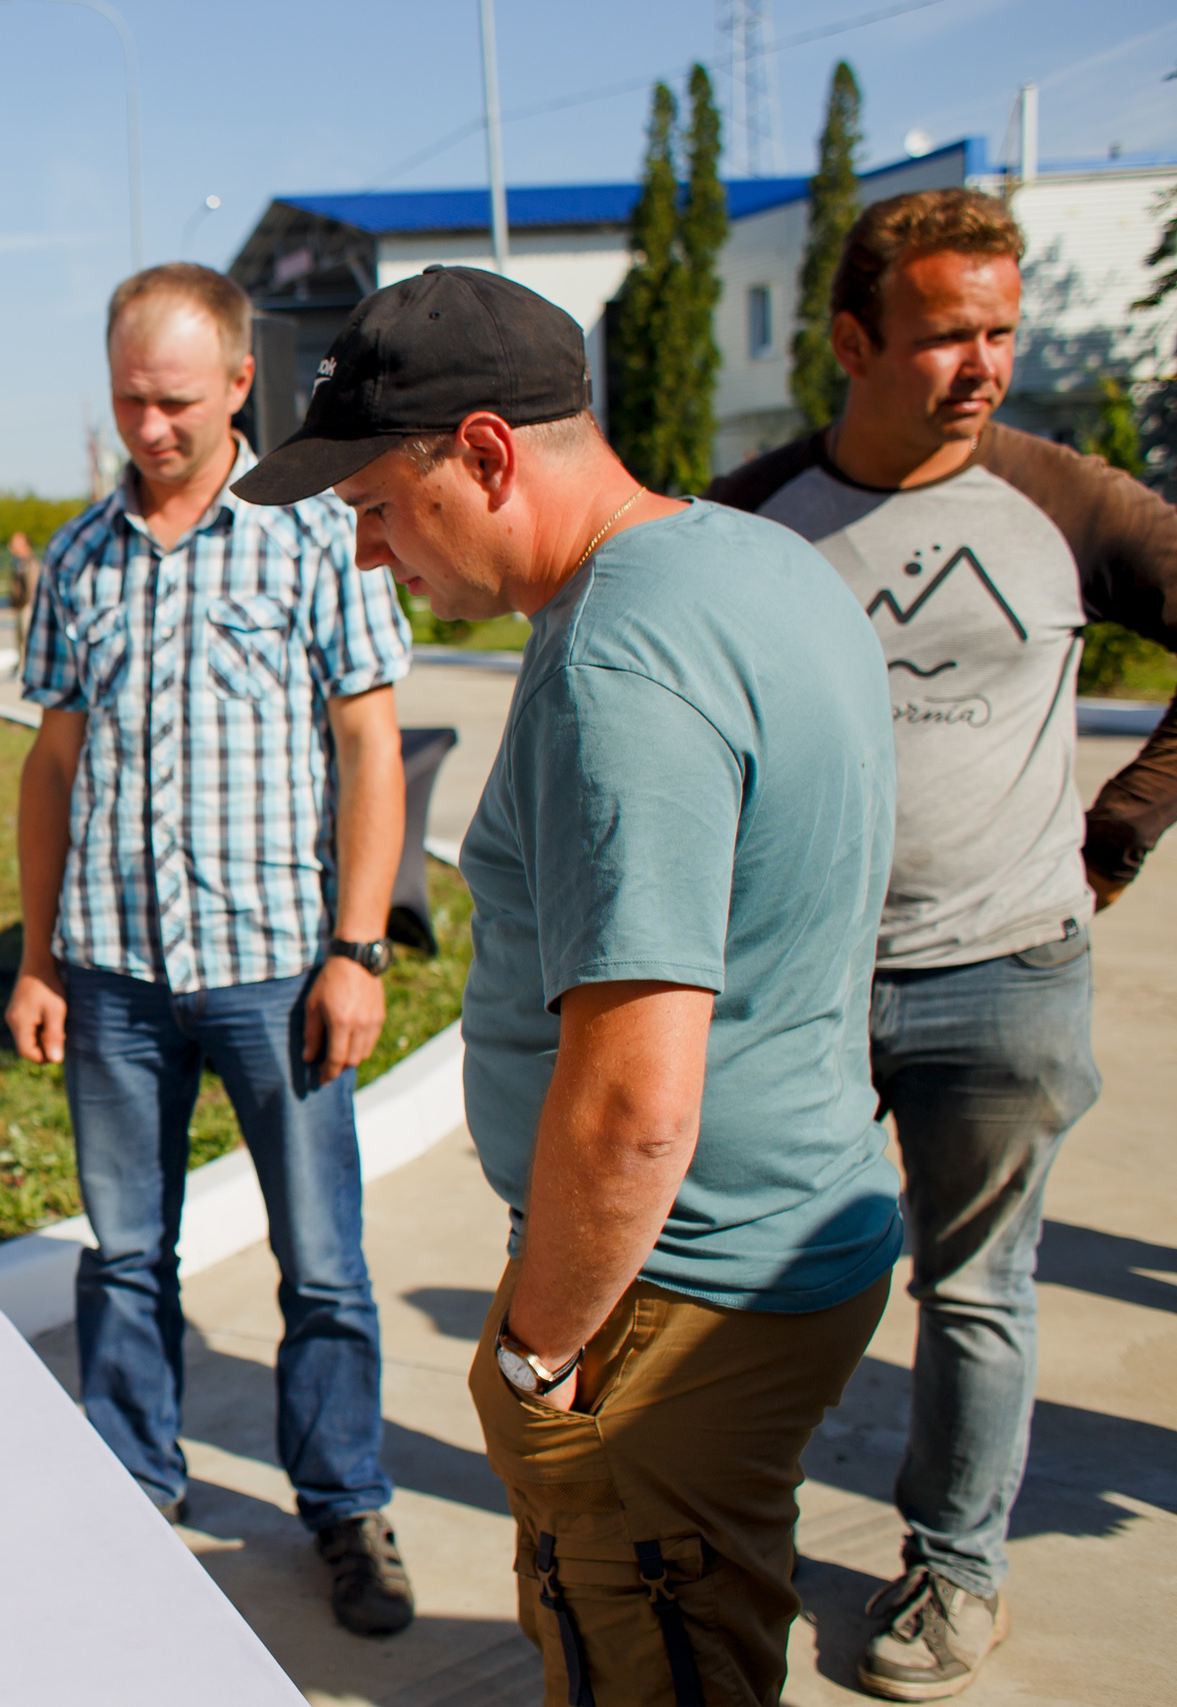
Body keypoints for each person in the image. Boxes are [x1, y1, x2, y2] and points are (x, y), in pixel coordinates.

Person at [239, 263, 903, 1704]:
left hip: (676, 1294)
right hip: (775, 1236)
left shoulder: (621, 658)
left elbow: (633, 1107)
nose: (365, 558)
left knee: (644, 1650)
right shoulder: (749, 558)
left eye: (370, 510)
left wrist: (538, 1354)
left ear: (482, 454)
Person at [706, 188, 1177, 1701]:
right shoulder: (753, 517)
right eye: (944, 336)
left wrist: (1124, 824)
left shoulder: (1069, 500)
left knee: (978, 1289)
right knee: (768, 1277)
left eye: (1000, 331)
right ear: (851, 339)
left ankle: (955, 1569)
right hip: (806, 983)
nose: (982, 364)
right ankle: (736, 1547)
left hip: (1007, 972)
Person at [8, 262, 416, 1636]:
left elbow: (371, 742)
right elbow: (49, 769)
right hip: (115, 973)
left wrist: (357, 946)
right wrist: (39, 954)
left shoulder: (316, 535)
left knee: (323, 1263)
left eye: (176, 398)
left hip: (275, 969)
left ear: (242, 383)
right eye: (128, 396)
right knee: (125, 1253)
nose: (150, 425)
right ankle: (133, 1479)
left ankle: (346, 1502)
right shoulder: (77, 560)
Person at [6, 528, 39, 655]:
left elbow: (32, 588)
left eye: (15, 543)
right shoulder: (18, 563)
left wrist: (25, 603)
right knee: (20, 639)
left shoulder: (30, 563)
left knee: (27, 639)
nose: (11, 546)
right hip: (21, 606)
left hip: (27, 606)